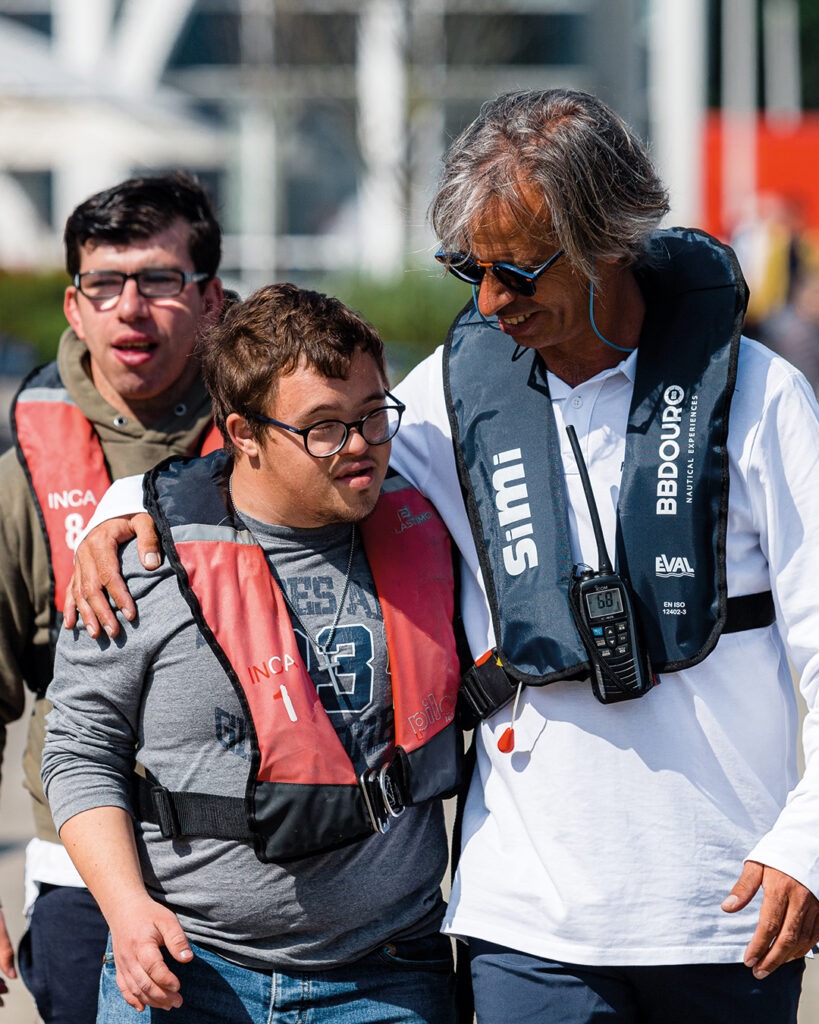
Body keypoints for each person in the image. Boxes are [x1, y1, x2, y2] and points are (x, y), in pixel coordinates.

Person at [67, 89, 819, 1023]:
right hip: (522, 922)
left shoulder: (759, 399)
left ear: (607, 242)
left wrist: (808, 841)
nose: (489, 301)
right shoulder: (459, 400)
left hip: (728, 907)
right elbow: (278, 455)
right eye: (471, 269)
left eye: (517, 271)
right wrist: (122, 506)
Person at [42, 282, 462, 1023]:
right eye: (323, 428)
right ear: (242, 433)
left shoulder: (436, 529)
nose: (360, 445)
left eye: (372, 414)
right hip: (190, 971)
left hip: (388, 976)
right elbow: (78, 748)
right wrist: (127, 909)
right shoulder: (137, 562)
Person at [0, 171, 224, 1022]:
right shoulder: (20, 481)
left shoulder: (276, 438)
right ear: (73, 303)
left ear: (208, 298)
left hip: (267, 875)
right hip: (79, 877)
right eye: (105, 283)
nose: (130, 307)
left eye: (159, 281)